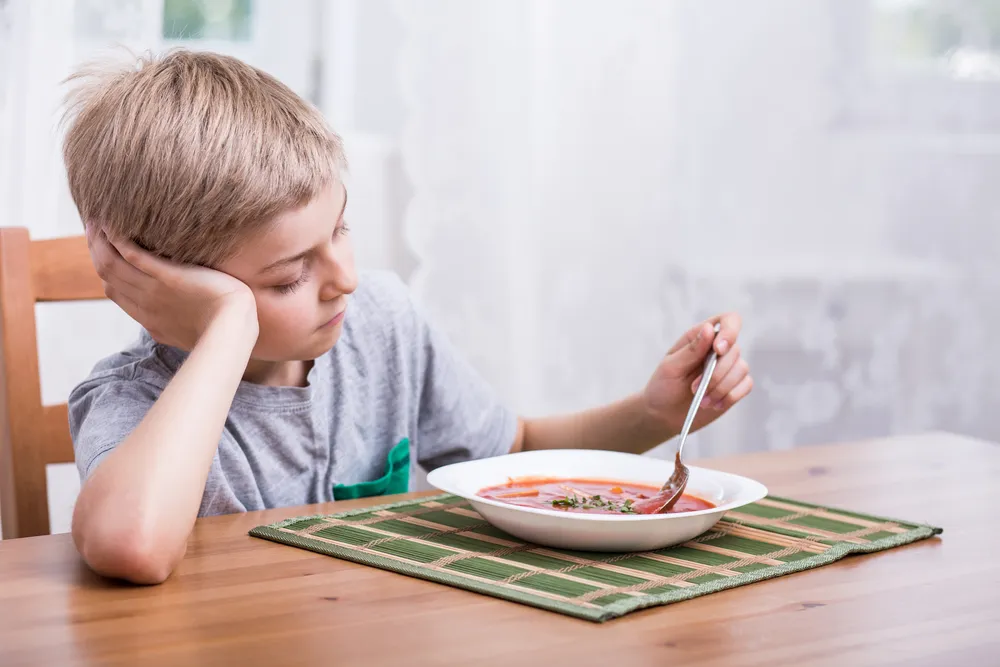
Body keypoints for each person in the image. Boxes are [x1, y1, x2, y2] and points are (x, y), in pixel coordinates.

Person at [62, 50, 753, 585]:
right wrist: (230, 323)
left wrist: (654, 413)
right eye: (289, 275)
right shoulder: (133, 400)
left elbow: (509, 452)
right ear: (171, 284)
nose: (346, 279)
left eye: (340, 229)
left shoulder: (378, 322)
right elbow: (133, 543)